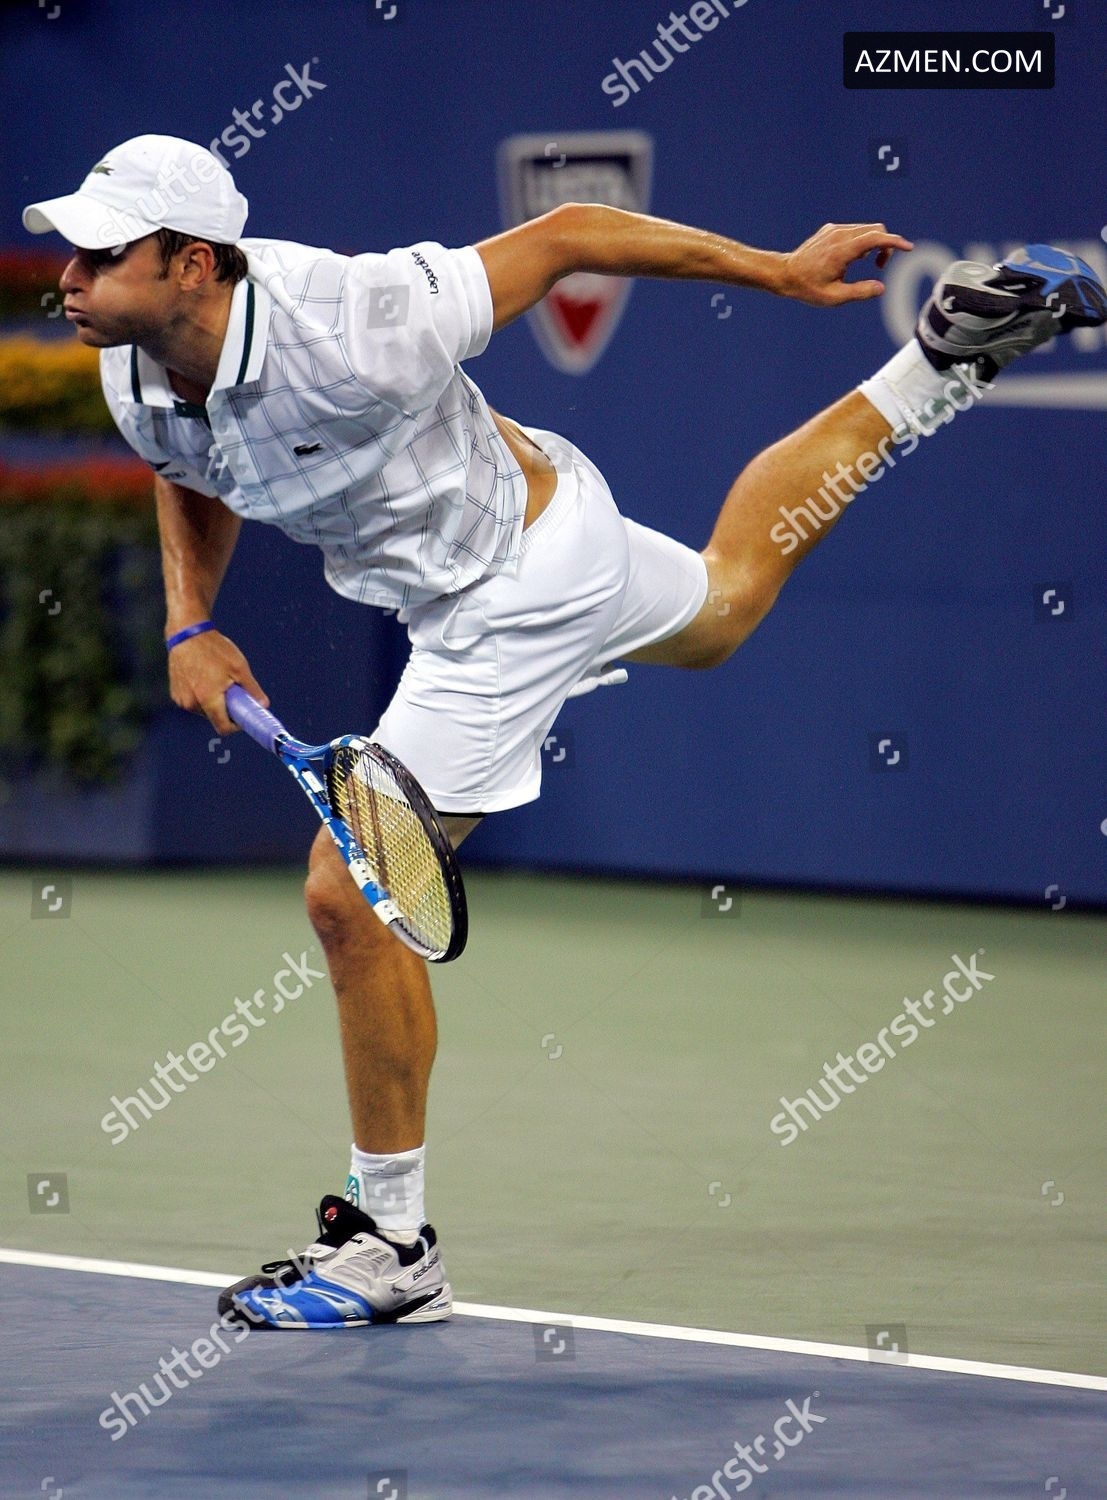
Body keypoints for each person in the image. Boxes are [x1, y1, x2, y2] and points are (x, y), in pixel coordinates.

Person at [23, 134, 1106, 1330]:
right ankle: (939, 366)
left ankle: (392, 1247)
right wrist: (190, 621)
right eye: (71, 253)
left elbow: (568, 235)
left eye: (100, 256)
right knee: (723, 605)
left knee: (350, 894)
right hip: (529, 539)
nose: (68, 278)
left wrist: (779, 270)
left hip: (513, 589)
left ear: (192, 264)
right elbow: (195, 465)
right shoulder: (132, 365)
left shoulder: (356, 318)